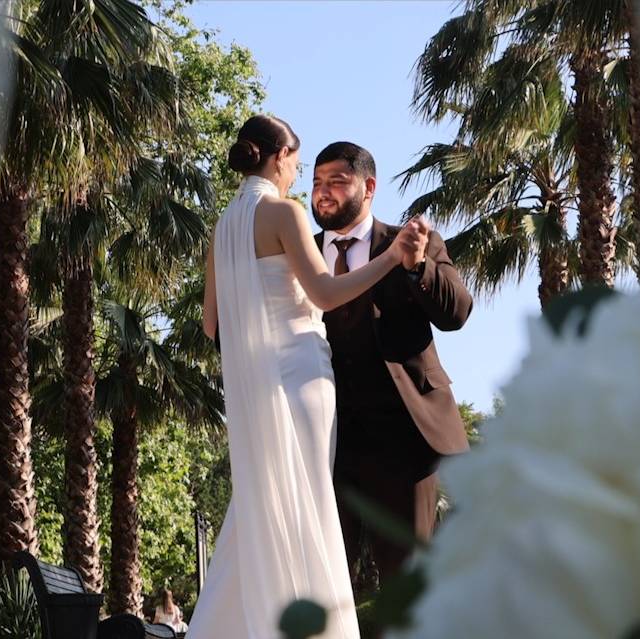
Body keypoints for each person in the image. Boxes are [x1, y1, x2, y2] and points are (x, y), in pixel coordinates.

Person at [187, 115, 426, 639]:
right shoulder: (284, 212)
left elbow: (211, 325)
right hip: (301, 378)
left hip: (257, 388)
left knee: (265, 506)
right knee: (307, 504)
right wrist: (392, 257)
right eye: (297, 163)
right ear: (280, 157)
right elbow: (325, 293)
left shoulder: (223, 227)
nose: (299, 175)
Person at [310, 141, 472, 588]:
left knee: (409, 581)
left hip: (404, 438)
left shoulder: (412, 242)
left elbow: (457, 313)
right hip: (327, 442)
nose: (323, 192)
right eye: (317, 182)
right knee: (324, 580)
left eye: (337, 182)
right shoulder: (300, 254)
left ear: (369, 188)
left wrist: (418, 266)